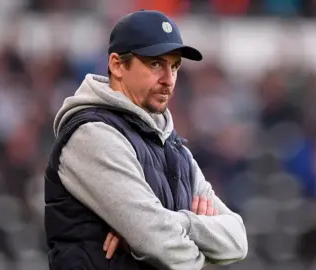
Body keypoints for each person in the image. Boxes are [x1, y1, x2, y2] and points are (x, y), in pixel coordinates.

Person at [44, 9, 248, 270]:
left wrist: (179, 224)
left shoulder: (174, 147)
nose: (169, 80)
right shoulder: (91, 134)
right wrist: (204, 252)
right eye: (155, 64)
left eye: (174, 66)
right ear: (117, 65)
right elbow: (163, 246)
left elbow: (237, 239)